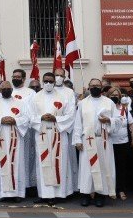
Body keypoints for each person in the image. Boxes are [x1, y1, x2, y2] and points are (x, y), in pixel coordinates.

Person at [73, 78, 123, 207]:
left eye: (97, 85)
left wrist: (109, 120)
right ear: (89, 87)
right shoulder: (82, 103)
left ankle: (101, 195)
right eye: (92, 85)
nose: (95, 87)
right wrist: (77, 139)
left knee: (103, 167)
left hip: (104, 139)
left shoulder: (109, 102)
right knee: (87, 169)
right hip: (87, 139)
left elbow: (118, 120)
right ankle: (86, 194)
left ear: (101, 87)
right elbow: (78, 123)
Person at [31, 71, 76, 204]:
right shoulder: (35, 97)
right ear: (42, 81)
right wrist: (41, 118)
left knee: (59, 162)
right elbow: (30, 115)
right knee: (42, 163)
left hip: (59, 133)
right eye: (46, 81)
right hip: (42, 133)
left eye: (51, 81)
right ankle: (44, 194)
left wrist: (56, 118)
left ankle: (58, 194)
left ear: (55, 82)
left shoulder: (63, 97)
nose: (49, 83)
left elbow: (70, 114)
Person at [0, 79, 29, 202]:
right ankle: (2, 193)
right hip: (0, 136)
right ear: (0, 91)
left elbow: (26, 118)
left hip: (15, 136)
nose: (6, 90)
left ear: (12, 90)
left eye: (8, 89)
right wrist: (0, 120)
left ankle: (18, 193)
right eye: (3, 89)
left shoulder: (20, 103)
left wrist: (15, 120)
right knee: (1, 163)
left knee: (17, 164)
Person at [108, 87, 133, 201]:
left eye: (116, 95)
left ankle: (121, 189)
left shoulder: (124, 110)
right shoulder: (107, 109)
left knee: (121, 167)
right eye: (112, 95)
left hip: (123, 143)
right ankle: (110, 189)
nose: (114, 97)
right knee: (111, 167)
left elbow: (131, 125)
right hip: (110, 143)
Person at [10, 68, 36, 188]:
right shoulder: (8, 92)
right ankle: (16, 184)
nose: (15, 79)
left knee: (28, 156)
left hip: (27, 129)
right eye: (14, 77)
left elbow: (33, 111)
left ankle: (29, 184)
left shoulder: (31, 93)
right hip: (10, 130)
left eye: (18, 77)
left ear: (24, 79)